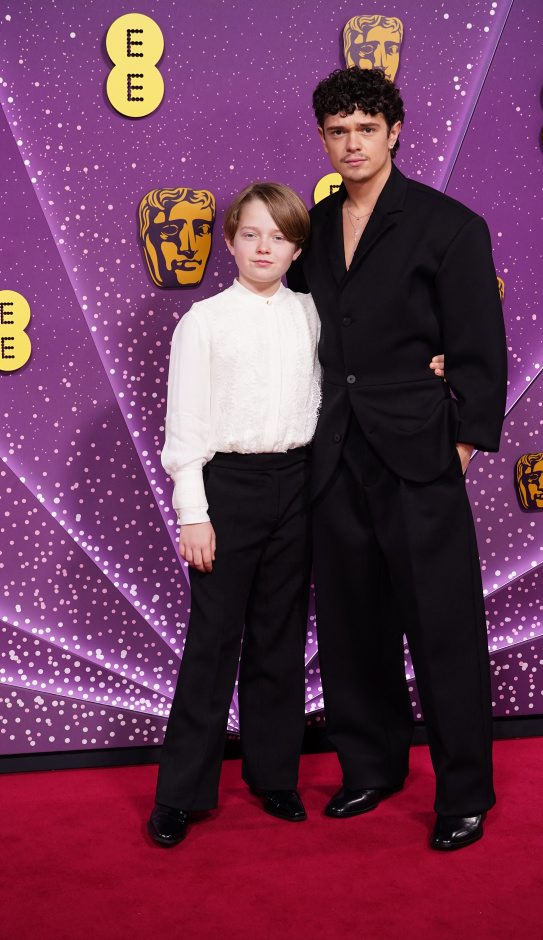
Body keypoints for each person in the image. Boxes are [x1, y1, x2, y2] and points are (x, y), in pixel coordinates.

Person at [287, 67, 508, 851]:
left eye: (366, 129)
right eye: (338, 131)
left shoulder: (449, 226)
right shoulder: (312, 228)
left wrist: (462, 443)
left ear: (395, 133)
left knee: (443, 628)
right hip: (333, 452)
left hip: (419, 453)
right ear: (323, 139)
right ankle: (371, 767)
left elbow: (479, 347)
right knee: (353, 628)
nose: (352, 143)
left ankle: (464, 792)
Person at [147, 182, 320, 846]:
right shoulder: (205, 321)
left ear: (296, 248)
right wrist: (193, 511)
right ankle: (180, 793)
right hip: (228, 487)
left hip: (299, 483)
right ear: (229, 242)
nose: (263, 247)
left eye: (279, 236)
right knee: (213, 640)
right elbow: (186, 422)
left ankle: (274, 776)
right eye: (251, 234)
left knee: (281, 636)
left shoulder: (311, 314)